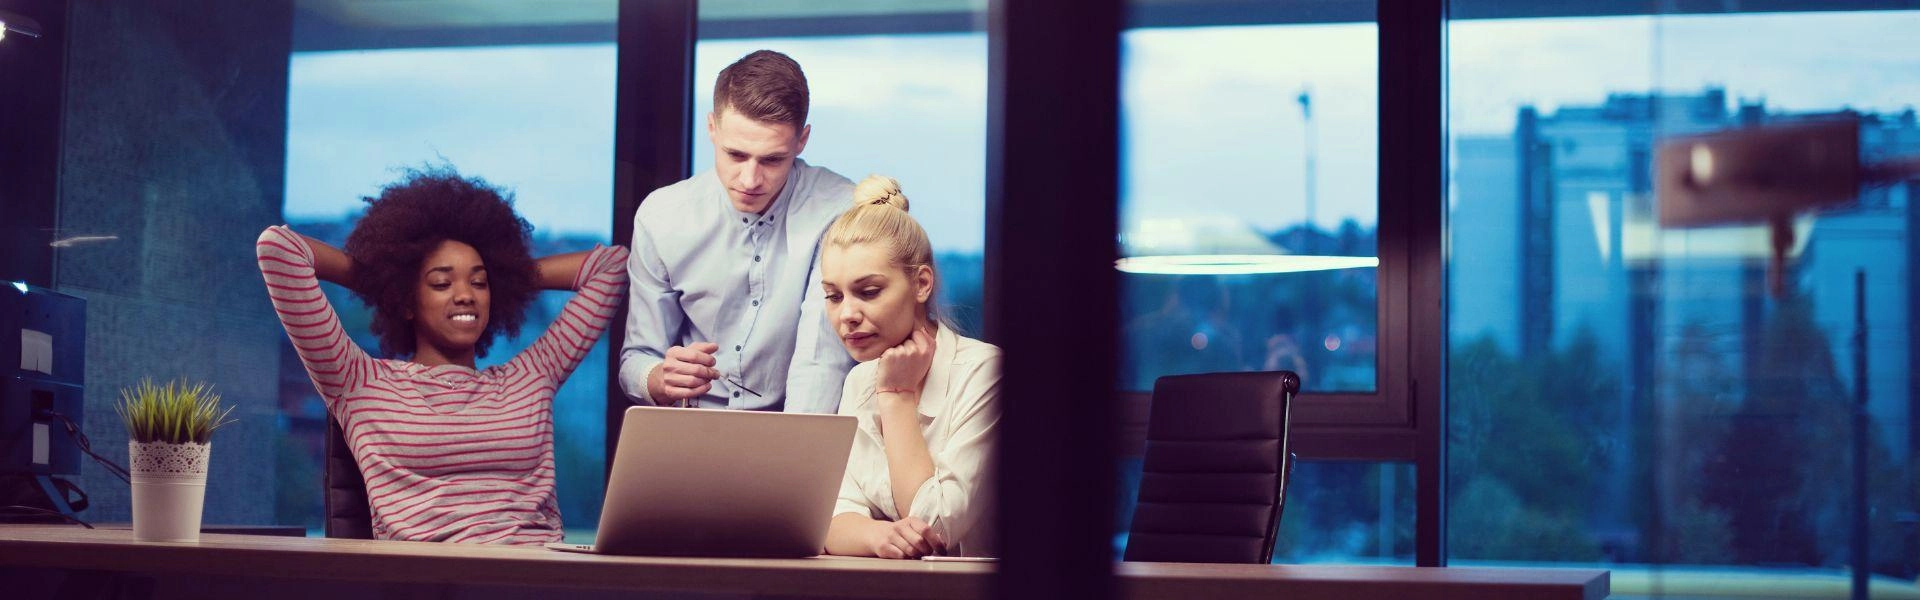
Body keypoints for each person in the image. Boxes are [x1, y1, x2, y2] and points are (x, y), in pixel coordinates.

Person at [256, 168, 628, 544]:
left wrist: (507, 276)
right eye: (441, 282)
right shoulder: (358, 382)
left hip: (538, 577)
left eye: (479, 283)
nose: (465, 295)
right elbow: (279, 249)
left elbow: (611, 267)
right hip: (430, 584)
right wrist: (385, 281)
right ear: (406, 301)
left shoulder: (530, 378)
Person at [619, 49, 857, 414]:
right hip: (691, 430)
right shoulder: (661, 217)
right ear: (712, 128)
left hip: (798, 428)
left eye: (772, 159)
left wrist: (796, 463)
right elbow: (637, 358)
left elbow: (820, 362)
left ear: (802, 140)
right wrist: (658, 377)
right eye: (735, 155)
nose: (750, 180)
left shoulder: (841, 210)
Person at [820, 175, 1001, 559]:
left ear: (921, 284)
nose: (847, 314)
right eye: (833, 296)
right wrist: (875, 537)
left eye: (868, 292)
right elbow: (831, 520)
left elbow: (936, 528)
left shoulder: (986, 372)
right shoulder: (860, 380)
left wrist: (897, 397)